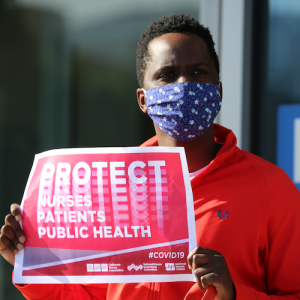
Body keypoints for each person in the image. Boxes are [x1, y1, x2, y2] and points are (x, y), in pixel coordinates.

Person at [1, 13, 300, 300]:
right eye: (167, 75)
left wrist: (233, 294)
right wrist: (28, 265)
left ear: (218, 90)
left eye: (198, 71)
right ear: (143, 100)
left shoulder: (269, 188)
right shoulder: (111, 189)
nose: (184, 84)